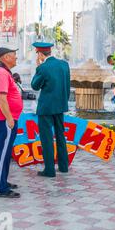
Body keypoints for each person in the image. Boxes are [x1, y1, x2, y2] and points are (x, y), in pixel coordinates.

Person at [31, 42, 71, 178]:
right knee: (61, 136)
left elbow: (35, 86)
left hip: (46, 108)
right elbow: (67, 86)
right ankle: (64, 166)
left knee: (47, 139)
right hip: (60, 106)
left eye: (37, 54)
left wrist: (38, 67)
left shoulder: (43, 67)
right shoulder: (64, 65)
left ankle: (49, 169)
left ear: (40, 54)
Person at [0, 47, 23, 198]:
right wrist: (9, 118)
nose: (16, 58)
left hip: (3, 118)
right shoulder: (2, 73)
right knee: (3, 153)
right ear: (6, 57)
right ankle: (0, 188)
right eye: (14, 55)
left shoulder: (2, 70)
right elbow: (1, 98)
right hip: (4, 119)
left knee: (2, 151)